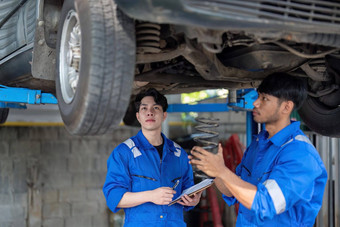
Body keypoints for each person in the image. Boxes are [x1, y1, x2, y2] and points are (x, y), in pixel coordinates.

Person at [189, 73, 328, 226]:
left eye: (264, 99)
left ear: (286, 107)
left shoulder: (300, 154)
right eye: (258, 96)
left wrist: (222, 171)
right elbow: (232, 190)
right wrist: (213, 172)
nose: (255, 103)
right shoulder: (259, 144)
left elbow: (266, 204)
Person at [103, 88, 202, 227]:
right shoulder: (123, 153)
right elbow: (114, 197)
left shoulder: (179, 154)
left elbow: (188, 190)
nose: (150, 112)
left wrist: (193, 200)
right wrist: (150, 196)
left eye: (156, 107)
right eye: (144, 108)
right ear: (138, 116)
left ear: (164, 115)